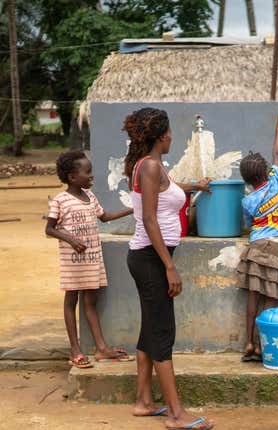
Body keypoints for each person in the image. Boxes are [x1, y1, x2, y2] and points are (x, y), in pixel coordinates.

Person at [123, 108, 213, 429]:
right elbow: (149, 219)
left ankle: (144, 402)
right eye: (170, 132)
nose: (173, 137)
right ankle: (176, 414)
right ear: (161, 135)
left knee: (151, 329)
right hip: (151, 259)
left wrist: (196, 186)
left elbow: (167, 194)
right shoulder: (149, 166)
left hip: (150, 258)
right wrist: (169, 267)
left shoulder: (153, 166)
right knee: (162, 333)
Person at [46, 150, 134, 369]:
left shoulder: (90, 197)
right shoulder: (60, 200)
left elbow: (104, 217)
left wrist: (133, 210)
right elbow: (49, 229)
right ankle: (75, 350)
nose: (92, 176)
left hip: (92, 260)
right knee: (71, 302)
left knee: (90, 303)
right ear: (72, 177)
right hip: (73, 263)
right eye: (88, 172)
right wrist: (71, 240)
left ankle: (102, 349)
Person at [236, 115, 278, 362]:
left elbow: (248, 225)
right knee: (269, 295)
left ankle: (247, 342)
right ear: (267, 171)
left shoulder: (247, 200)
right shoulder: (276, 180)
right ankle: (260, 344)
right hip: (275, 246)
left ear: (246, 180)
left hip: (256, 245)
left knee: (252, 294)